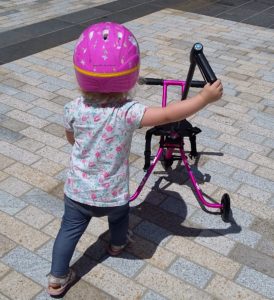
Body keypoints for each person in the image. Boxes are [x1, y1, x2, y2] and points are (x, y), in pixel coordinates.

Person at [47, 22, 223, 296]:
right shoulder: (128, 112)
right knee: (119, 219)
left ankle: (57, 278)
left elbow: (72, 139)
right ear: (131, 74)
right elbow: (168, 115)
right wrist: (203, 98)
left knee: (68, 232)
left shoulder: (73, 108)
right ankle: (117, 245)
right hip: (113, 194)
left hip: (77, 191)